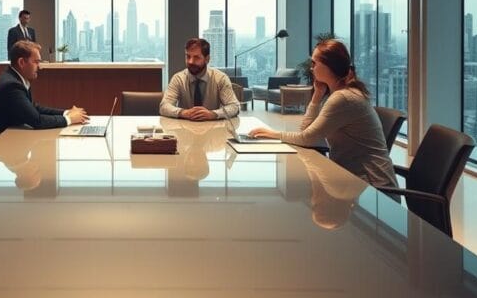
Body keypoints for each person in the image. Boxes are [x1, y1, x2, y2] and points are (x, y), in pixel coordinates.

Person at [248, 39, 398, 188]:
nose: (311, 69)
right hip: (353, 182)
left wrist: (272, 134)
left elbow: (307, 138)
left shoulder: (343, 97)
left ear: (329, 67)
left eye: (314, 63)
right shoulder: (342, 93)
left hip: (373, 189)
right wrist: (317, 95)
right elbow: (306, 132)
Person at [0, 39, 89, 133]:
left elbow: (33, 108)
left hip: (10, 137)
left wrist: (66, 112)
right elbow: (37, 121)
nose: (40, 67)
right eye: (36, 62)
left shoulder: (16, 78)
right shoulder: (12, 86)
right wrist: (69, 118)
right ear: (22, 62)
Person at [159, 38, 240, 121]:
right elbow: (164, 106)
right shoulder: (178, 78)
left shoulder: (220, 78)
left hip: (212, 128)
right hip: (184, 127)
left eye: (196, 57)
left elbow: (234, 107)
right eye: (188, 56)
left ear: (207, 59)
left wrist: (214, 114)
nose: (190, 61)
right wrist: (183, 113)